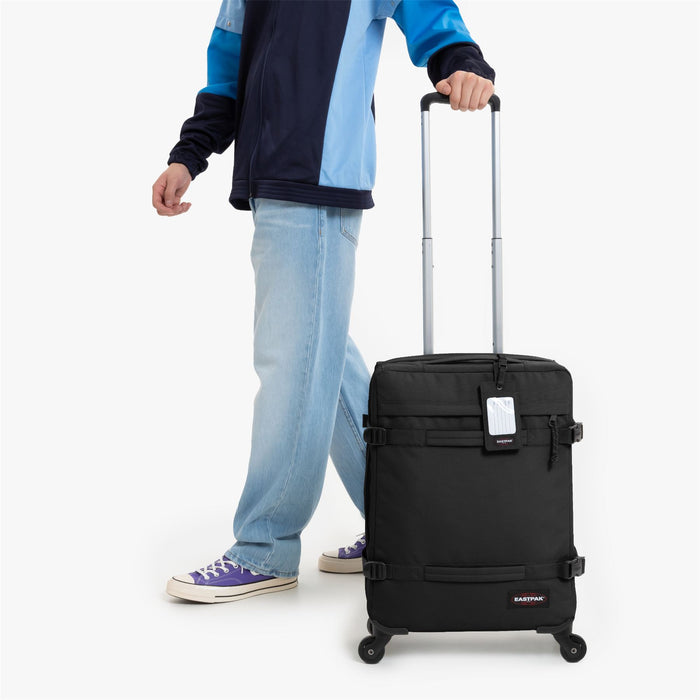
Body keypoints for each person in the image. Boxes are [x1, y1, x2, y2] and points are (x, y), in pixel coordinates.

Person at [152, 0, 495, 604]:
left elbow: (431, 15)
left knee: (293, 360)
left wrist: (462, 63)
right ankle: (403, 523)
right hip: (269, 178)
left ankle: (264, 548)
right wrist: (189, 155)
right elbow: (227, 70)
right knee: (318, 356)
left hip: (320, 176)